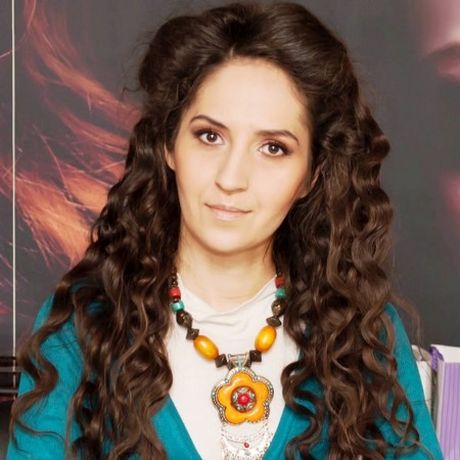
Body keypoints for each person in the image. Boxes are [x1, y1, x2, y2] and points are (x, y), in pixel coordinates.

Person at [7, 1, 443, 459]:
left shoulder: (364, 334)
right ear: (169, 145)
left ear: (310, 177)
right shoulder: (84, 324)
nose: (231, 178)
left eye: (273, 148)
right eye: (210, 136)